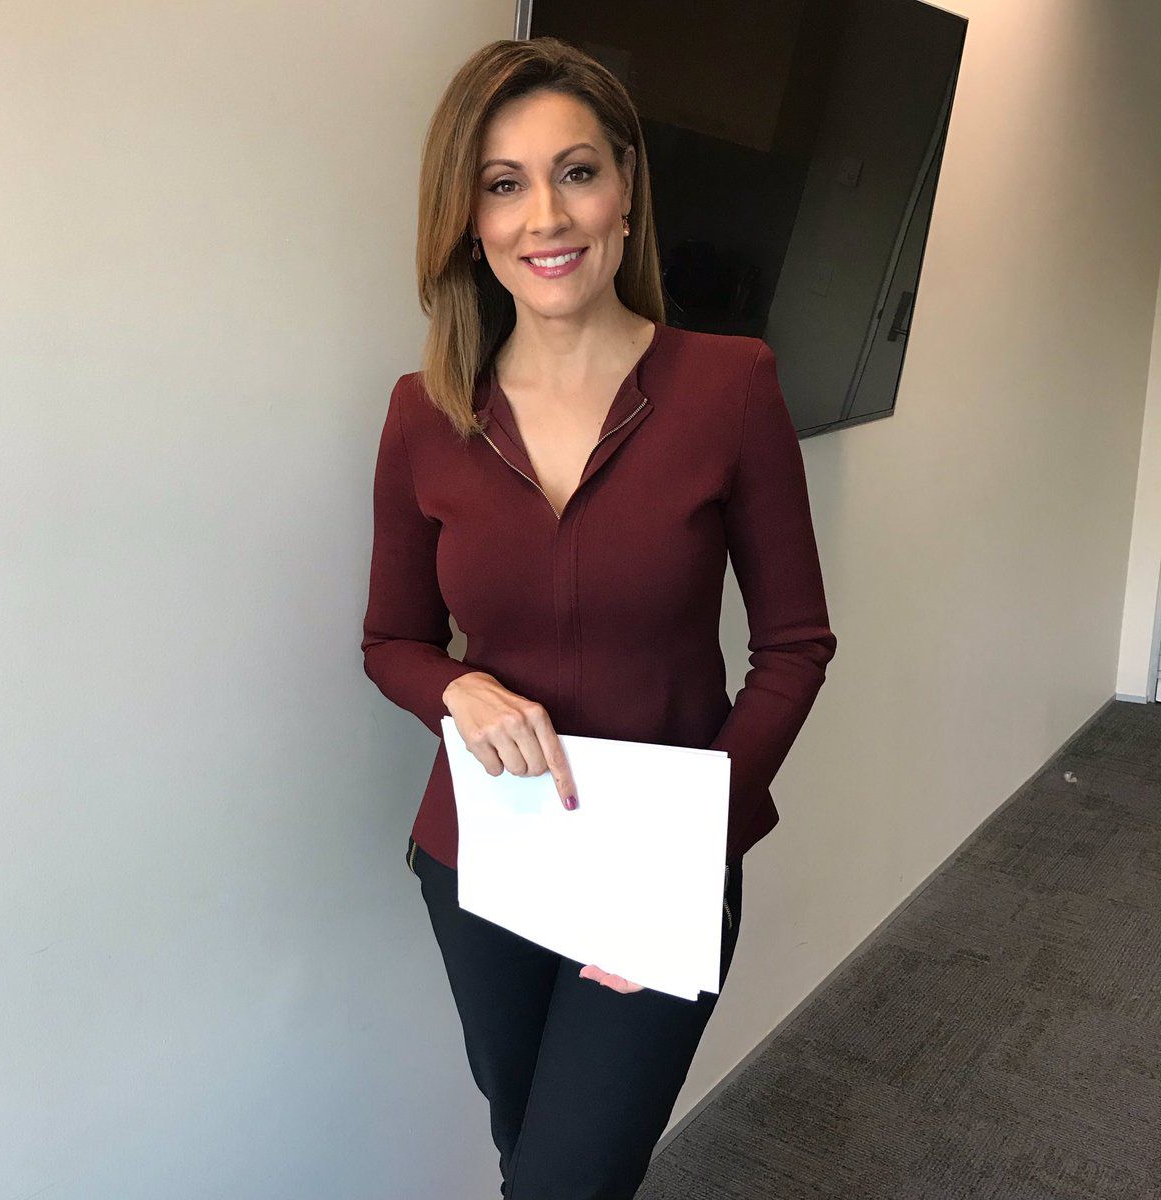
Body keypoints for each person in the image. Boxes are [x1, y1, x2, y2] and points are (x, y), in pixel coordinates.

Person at [362, 35, 838, 1200]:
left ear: (625, 191)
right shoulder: (426, 412)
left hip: (664, 860)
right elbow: (391, 642)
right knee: (532, 1157)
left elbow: (793, 648)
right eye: (503, 183)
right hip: (482, 854)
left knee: (565, 1182)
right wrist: (455, 688)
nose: (545, 216)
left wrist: (681, 861)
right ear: (469, 220)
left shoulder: (730, 385)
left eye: (576, 172)